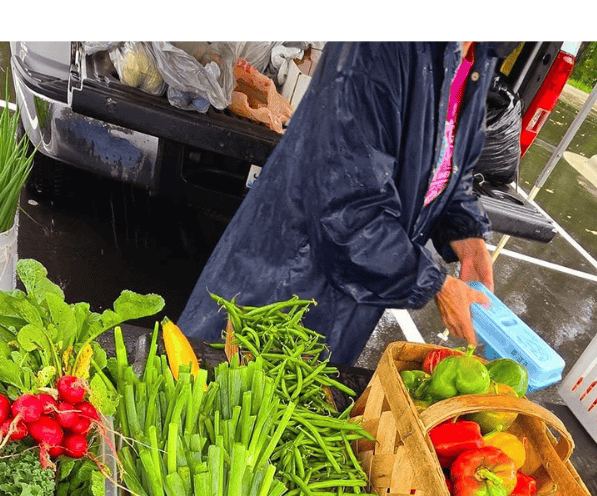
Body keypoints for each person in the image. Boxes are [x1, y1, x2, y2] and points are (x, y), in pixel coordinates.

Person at [178, 41, 518, 365]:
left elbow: (448, 165)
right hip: (286, 275)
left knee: (300, 404)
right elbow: (346, 208)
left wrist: (467, 236)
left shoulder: (479, 55)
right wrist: (434, 282)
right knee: (221, 397)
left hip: (356, 296)